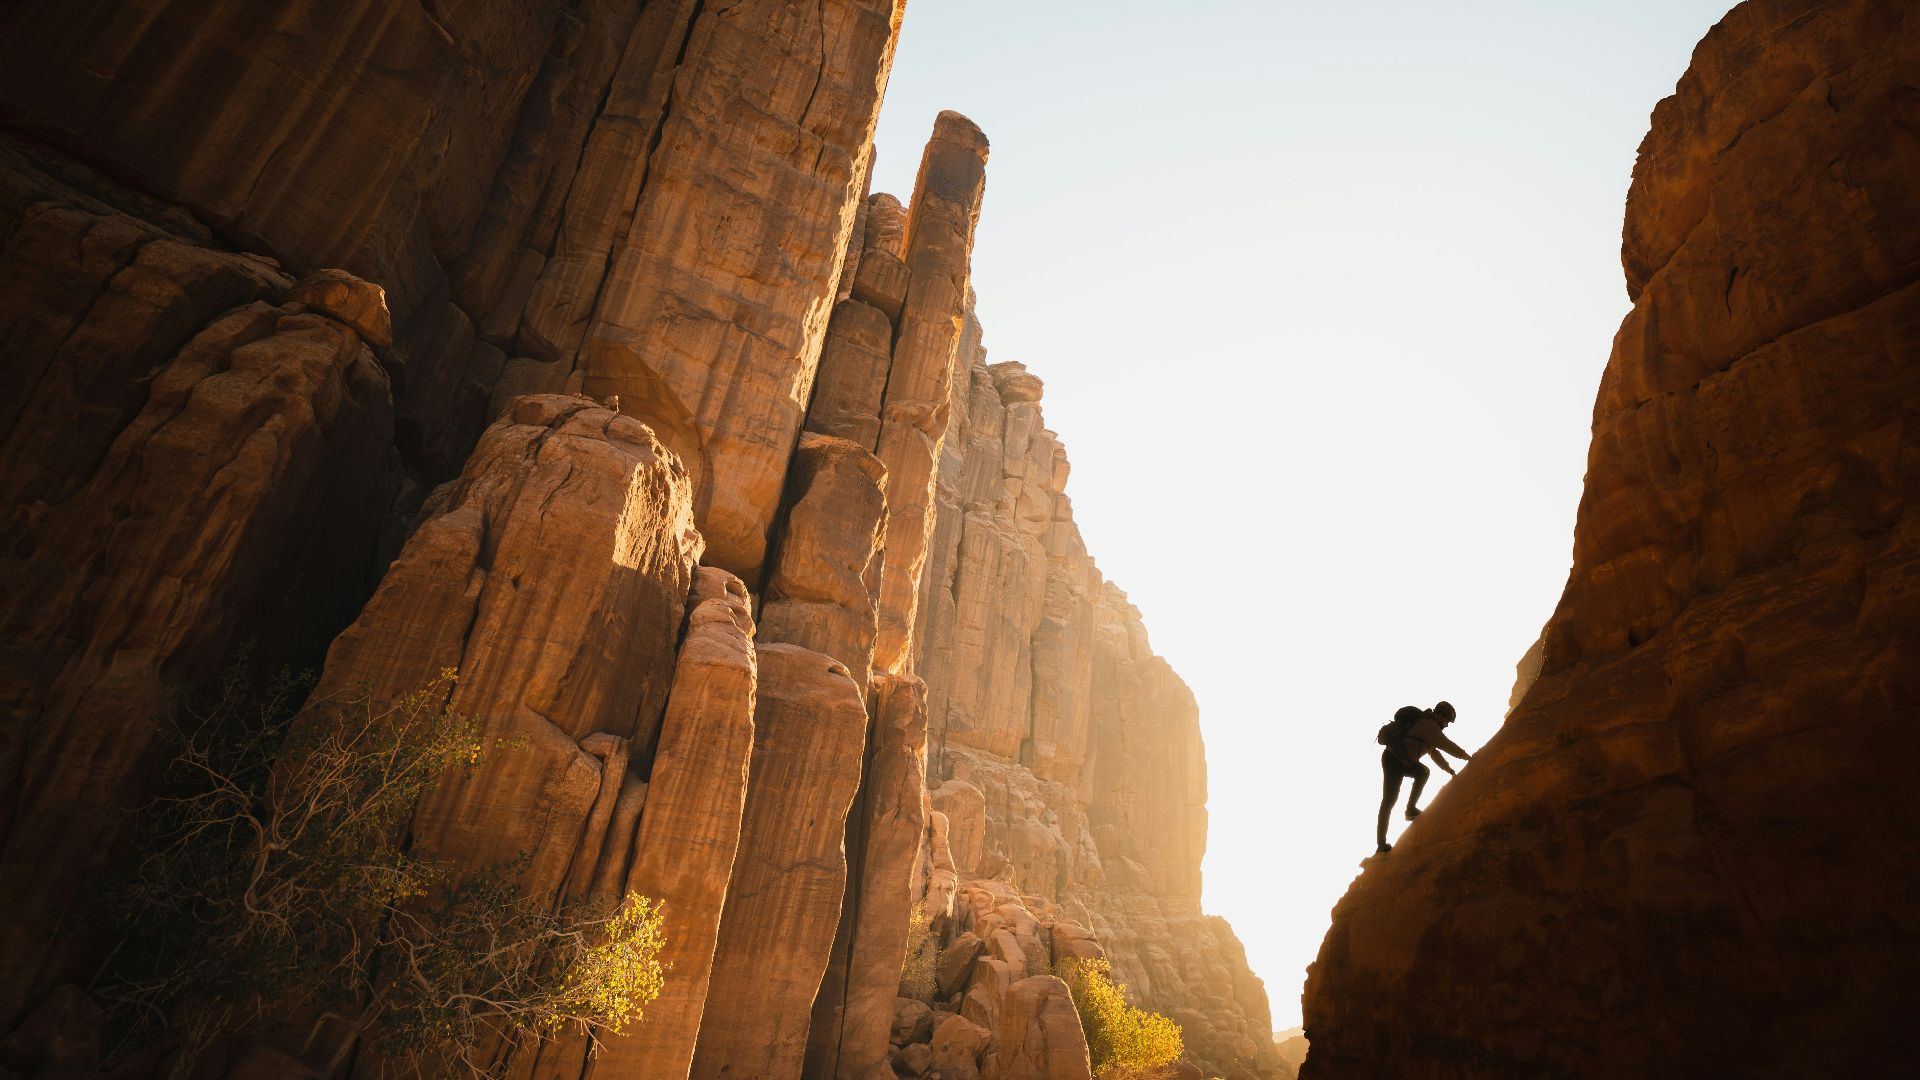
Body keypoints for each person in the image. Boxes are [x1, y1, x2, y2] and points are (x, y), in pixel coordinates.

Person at [1375, 700, 1472, 855]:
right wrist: (1468, 757)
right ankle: (1381, 844)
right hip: (1393, 759)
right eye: (1447, 720)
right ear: (1440, 714)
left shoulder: (1429, 728)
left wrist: (1449, 770)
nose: (1446, 725)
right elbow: (1447, 745)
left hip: (1403, 760)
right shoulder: (1429, 726)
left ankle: (1410, 809)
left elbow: (1435, 753)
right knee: (1390, 799)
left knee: (1423, 772)